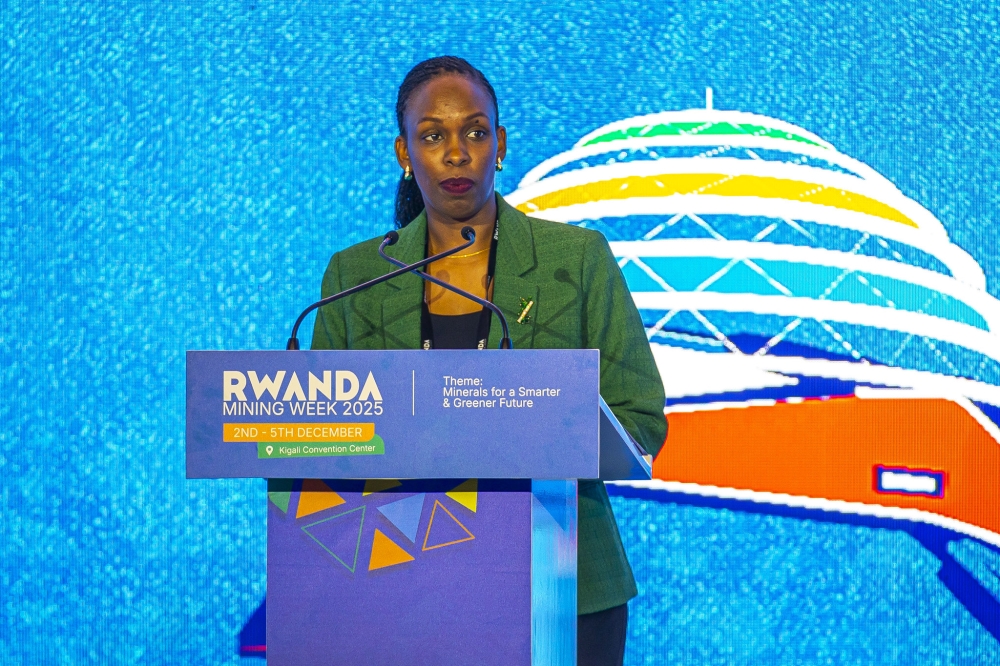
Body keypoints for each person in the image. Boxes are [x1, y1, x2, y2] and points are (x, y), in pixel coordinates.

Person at [311, 55, 667, 666]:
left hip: (563, 587)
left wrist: (546, 434)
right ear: (404, 152)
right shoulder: (357, 276)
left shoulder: (574, 261)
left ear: (499, 145)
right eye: (433, 135)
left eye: (475, 132)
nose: (456, 152)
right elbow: (320, 438)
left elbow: (639, 415)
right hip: (404, 585)